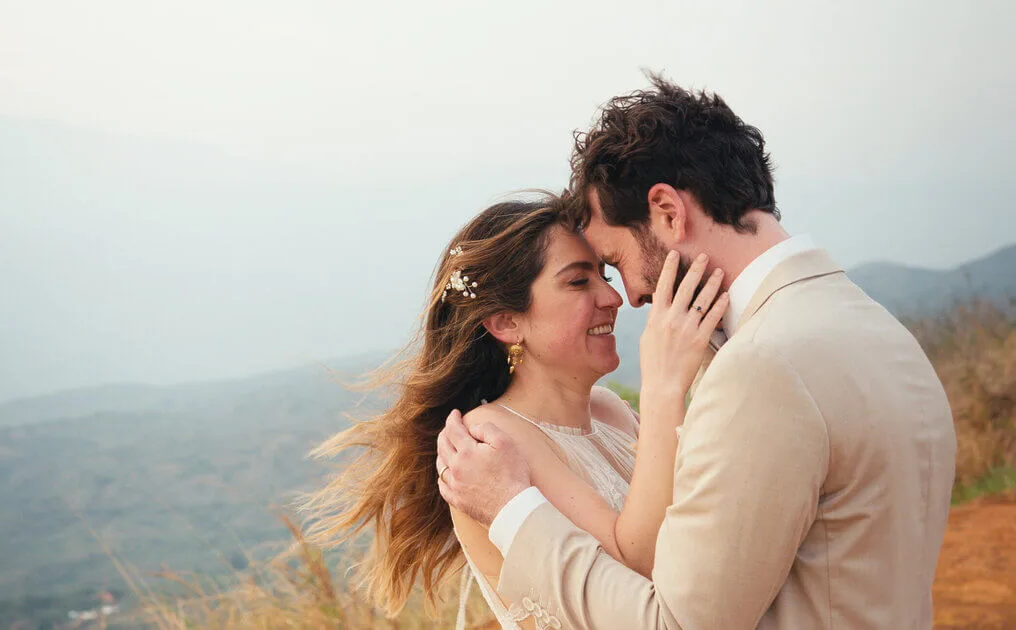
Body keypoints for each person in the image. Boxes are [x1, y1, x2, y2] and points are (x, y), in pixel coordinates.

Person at [436, 75, 957, 629]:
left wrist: (514, 513)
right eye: (582, 279)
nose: (629, 295)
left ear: (667, 210)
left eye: (616, 260)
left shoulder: (760, 369)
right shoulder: (877, 327)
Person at [302, 194, 726, 629]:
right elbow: (639, 567)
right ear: (506, 323)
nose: (612, 298)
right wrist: (663, 390)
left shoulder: (610, 410)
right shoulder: (490, 440)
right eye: (579, 282)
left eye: (605, 275)